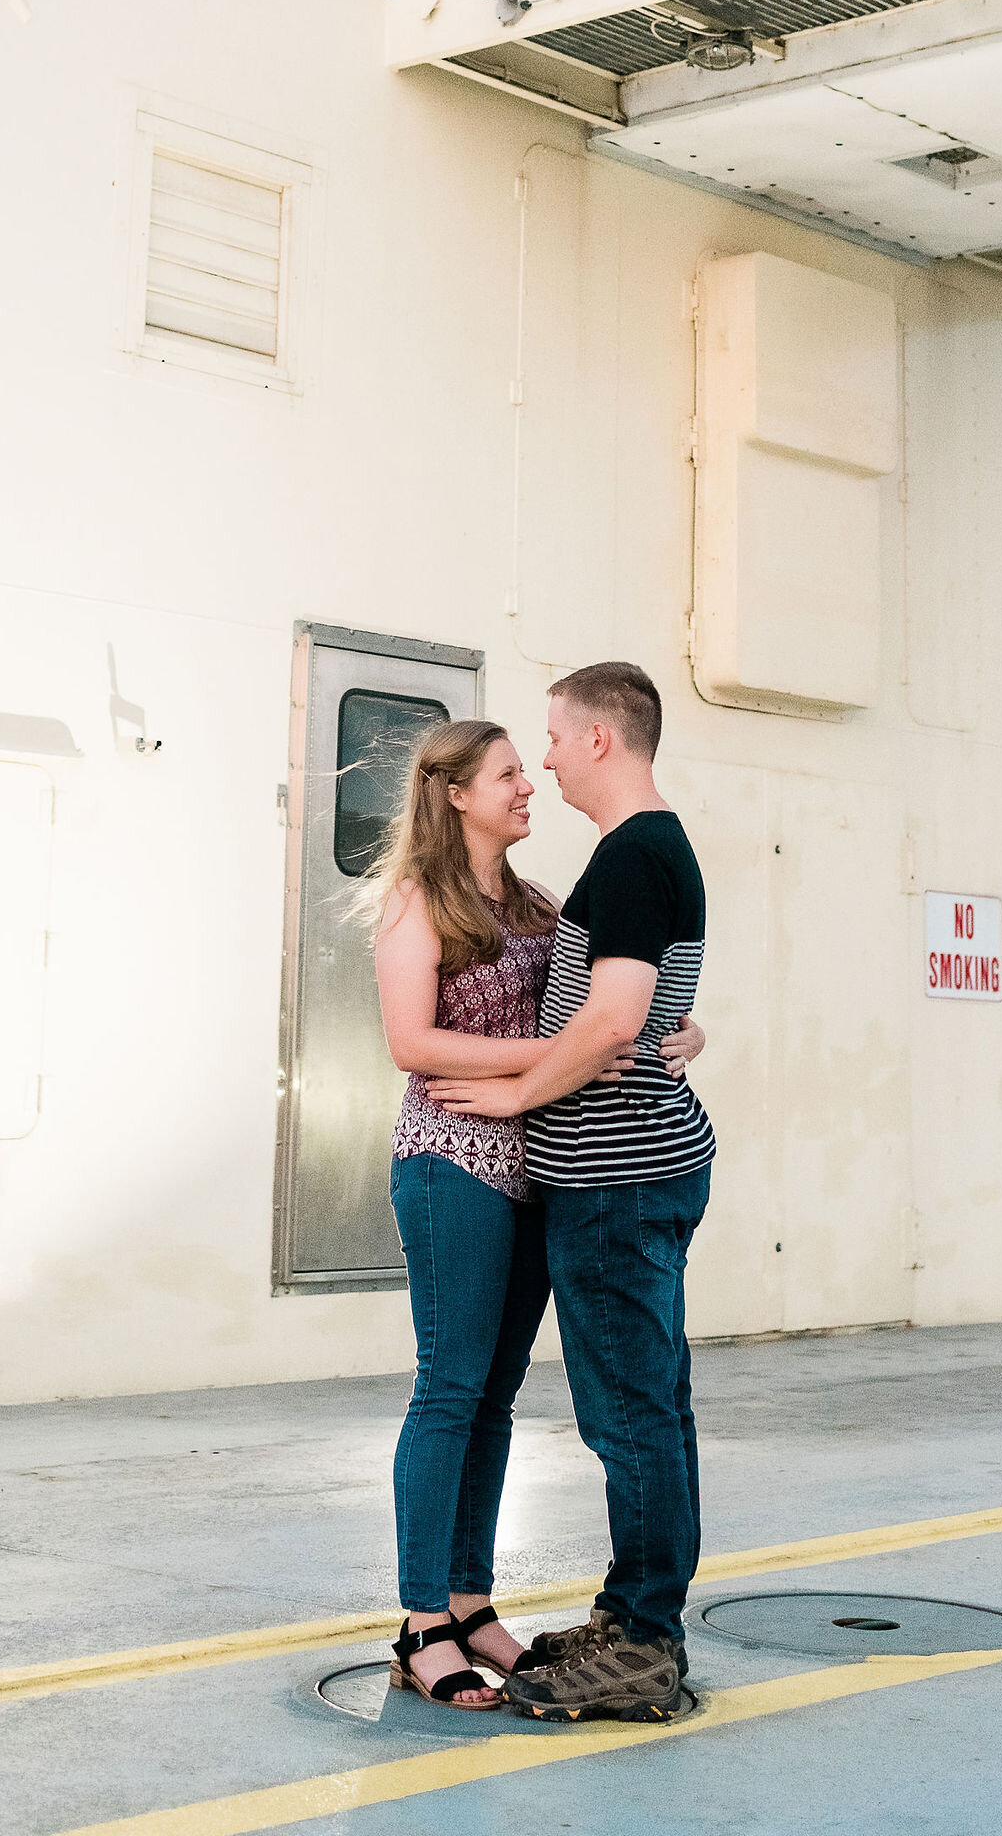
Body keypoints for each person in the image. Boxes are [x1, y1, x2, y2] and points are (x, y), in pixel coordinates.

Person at [369, 715, 704, 1711]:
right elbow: (410, 1044)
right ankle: (421, 1622)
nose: (528, 784)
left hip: (534, 1169)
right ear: (454, 794)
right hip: (451, 1162)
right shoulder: (413, 902)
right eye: (509, 774)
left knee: (496, 1396)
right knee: (448, 1388)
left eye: (530, 765)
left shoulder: (538, 902)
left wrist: (680, 1028)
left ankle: (473, 1605)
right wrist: (555, 1065)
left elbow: (610, 1004)